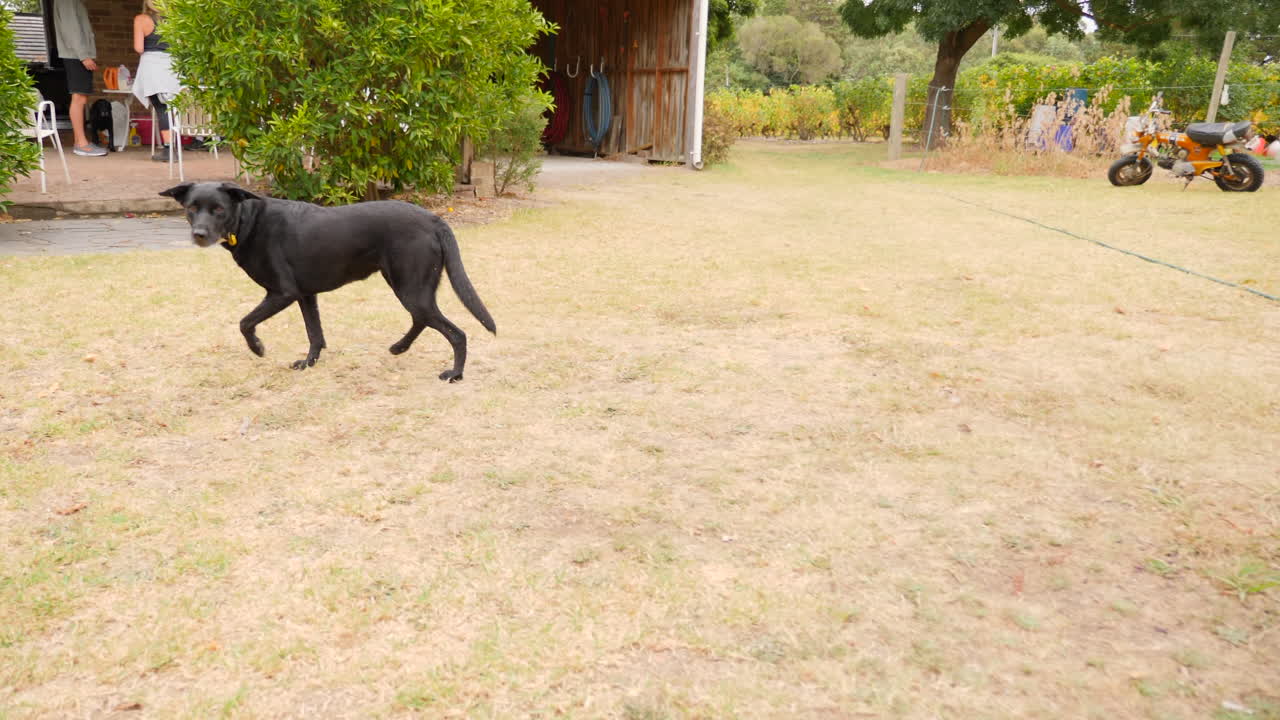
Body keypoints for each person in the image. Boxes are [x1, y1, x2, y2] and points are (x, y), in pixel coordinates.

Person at [131, 0, 182, 162]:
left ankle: (169, 150)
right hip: (173, 65)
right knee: (172, 106)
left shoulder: (141, 19)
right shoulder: (175, 19)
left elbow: (139, 48)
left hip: (152, 66)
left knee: (162, 107)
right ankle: (174, 147)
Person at [53, 0, 105, 156]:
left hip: (76, 55)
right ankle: (81, 144)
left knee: (81, 98)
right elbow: (71, 30)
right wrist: (84, 56)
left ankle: (80, 141)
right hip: (75, 55)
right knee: (79, 98)